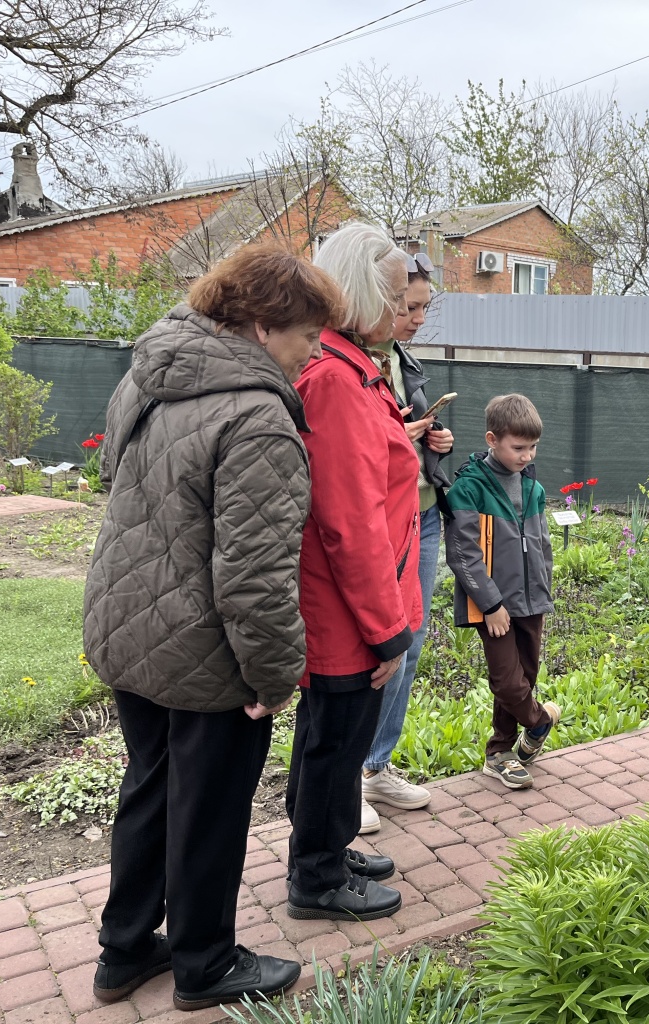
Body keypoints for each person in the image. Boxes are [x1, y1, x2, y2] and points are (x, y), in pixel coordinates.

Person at [84, 244, 344, 1010]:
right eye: (305, 337)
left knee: (150, 787)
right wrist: (271, 677)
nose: (311, 353)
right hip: (205, 651)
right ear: (263, 328)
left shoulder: (148, 376)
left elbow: (117, 485)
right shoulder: (258, 417)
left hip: (128, 623)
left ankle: (124, 949)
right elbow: (254, 574)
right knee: (210, 810)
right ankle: (204, 963)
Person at [285, 221, 422, 921]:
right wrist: (386, 628)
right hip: (347, 609)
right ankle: (315, 878)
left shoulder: (352, 369)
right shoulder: (337, 381)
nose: (405, 311)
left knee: (329, 735)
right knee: (335, 742)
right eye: (396, 296)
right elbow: (350, 521)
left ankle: (327, 848)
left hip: (352, 601)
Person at [358, 252, 454, 830]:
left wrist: (433, 444)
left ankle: (375, 767)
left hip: (422, 517)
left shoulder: (404, 363)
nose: (418, 318)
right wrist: (399, 434)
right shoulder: (344, 365)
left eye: (423, 308)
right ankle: (347, 777)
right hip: (382, 526)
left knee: (410, 643)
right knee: (376, 649)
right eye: (409, 307)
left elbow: (401, 448)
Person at [443, 394, 559, 790]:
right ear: (492, 439)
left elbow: (542, 546)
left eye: (533, 447)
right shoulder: (468, 488)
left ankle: (502, 752)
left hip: (532, 601)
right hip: (493, 605)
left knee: (525, 676)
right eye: (518, 447)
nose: (527, 456)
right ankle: (540, 720)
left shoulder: (534, 488)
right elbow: (463, 553)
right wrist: (490, 603)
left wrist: (543, 591)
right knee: (507, 682)